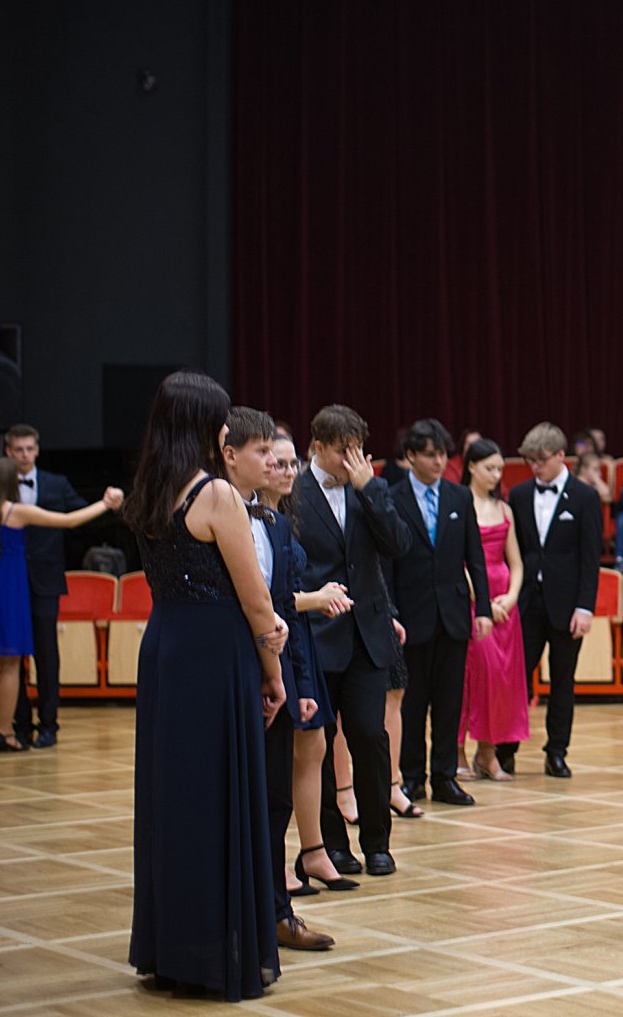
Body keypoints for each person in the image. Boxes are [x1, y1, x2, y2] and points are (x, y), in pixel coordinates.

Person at [123, 371, 287, 1000]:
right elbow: (255, 601)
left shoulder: (149, 488)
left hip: (165, 648)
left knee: (174, 801)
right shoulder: (214, 493)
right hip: (216, 656)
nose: (225, 430)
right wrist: (273, 672)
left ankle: (172, 950)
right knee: (219, 800)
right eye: (220, 420)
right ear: (204, 426)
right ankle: (217, 953)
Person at [219, 408, 335, 952]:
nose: (274, 463)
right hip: (228, 673)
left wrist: (303, 686)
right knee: (229, 800)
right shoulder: (210, 516)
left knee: (274, 801)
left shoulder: (277, 525)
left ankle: (276, 913)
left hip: (279, 679)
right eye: (264, 452)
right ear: (230, 455)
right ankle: (231, 917)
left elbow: (287, 613)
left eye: (276, 452)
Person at [293, 405, 412, 878]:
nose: (352, 459)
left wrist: (370, 490)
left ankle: (378, 842)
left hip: (366, 635)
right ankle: (332, 847)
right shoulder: (294, 491)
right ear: (318, 446)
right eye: (343, 450)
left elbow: (398, 545)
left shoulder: (369, 488)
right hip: (317, 635)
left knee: (369, 735)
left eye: (358, 449)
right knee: (318, 746)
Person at [262, 433, 358, 898]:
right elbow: (267, 597)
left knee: (315, 745)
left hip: (300, 641)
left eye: (291, 464)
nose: (286, 471)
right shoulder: (249, 517)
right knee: (281, 755)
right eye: (277, 463)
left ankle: (314, 850)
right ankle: (276, 860)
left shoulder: (284, 516)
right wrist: (315, 599)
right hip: (276, 639)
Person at [384, 419, 491, 808]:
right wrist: (391, 612)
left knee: (449, 703)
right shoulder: (391, 496)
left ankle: (445, 777)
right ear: (411, 456)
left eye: (443, 454)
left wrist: (483, 607)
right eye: (430, 454)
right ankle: (412, 777)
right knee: (412, 702)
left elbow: (474, 556)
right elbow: (387, 563)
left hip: (453, 614)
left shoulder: (459, 496)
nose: (439, 461)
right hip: (411, 615)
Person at [0, 458, 121, 751]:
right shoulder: (15, 511)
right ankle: (4, 733)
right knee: (10, 662)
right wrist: (104, 504)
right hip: (11, 587)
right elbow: (69, 520)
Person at [496, 423, 602, 779]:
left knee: (563, 682)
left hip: (567, 605)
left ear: (560, 455)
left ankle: (557, 752)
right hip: (526, 604)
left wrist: (585, 607)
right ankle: (505, 751)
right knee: (516, 680)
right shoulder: (520, 494)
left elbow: (590, 558)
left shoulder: (585, 497)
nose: (535, 467)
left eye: (541, 460)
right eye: (531, 461)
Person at [4, 424, 92, 749]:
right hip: (8, 580)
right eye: (18, 449)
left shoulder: (56, 483)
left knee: (46, 652)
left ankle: (49, 724)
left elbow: (80, 514)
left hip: (46, 579)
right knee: (12, 654)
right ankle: (19, 724)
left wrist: (107, 503)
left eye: (30, 449)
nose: (25, 455)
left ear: (37, 450)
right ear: (8, 452)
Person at [458, 437, 530, 781]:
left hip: (504, 606)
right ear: (471, 466)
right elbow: (459, 563)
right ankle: (457, 752)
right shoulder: (460, 504)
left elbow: (516, 563)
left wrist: (512, 597)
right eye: (490, 468)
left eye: (500, 469)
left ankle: (488, 754)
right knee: (471, 679)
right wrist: (484, 601)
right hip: (474, 603)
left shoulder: (504, 509)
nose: (497, 475)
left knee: (500, 682)